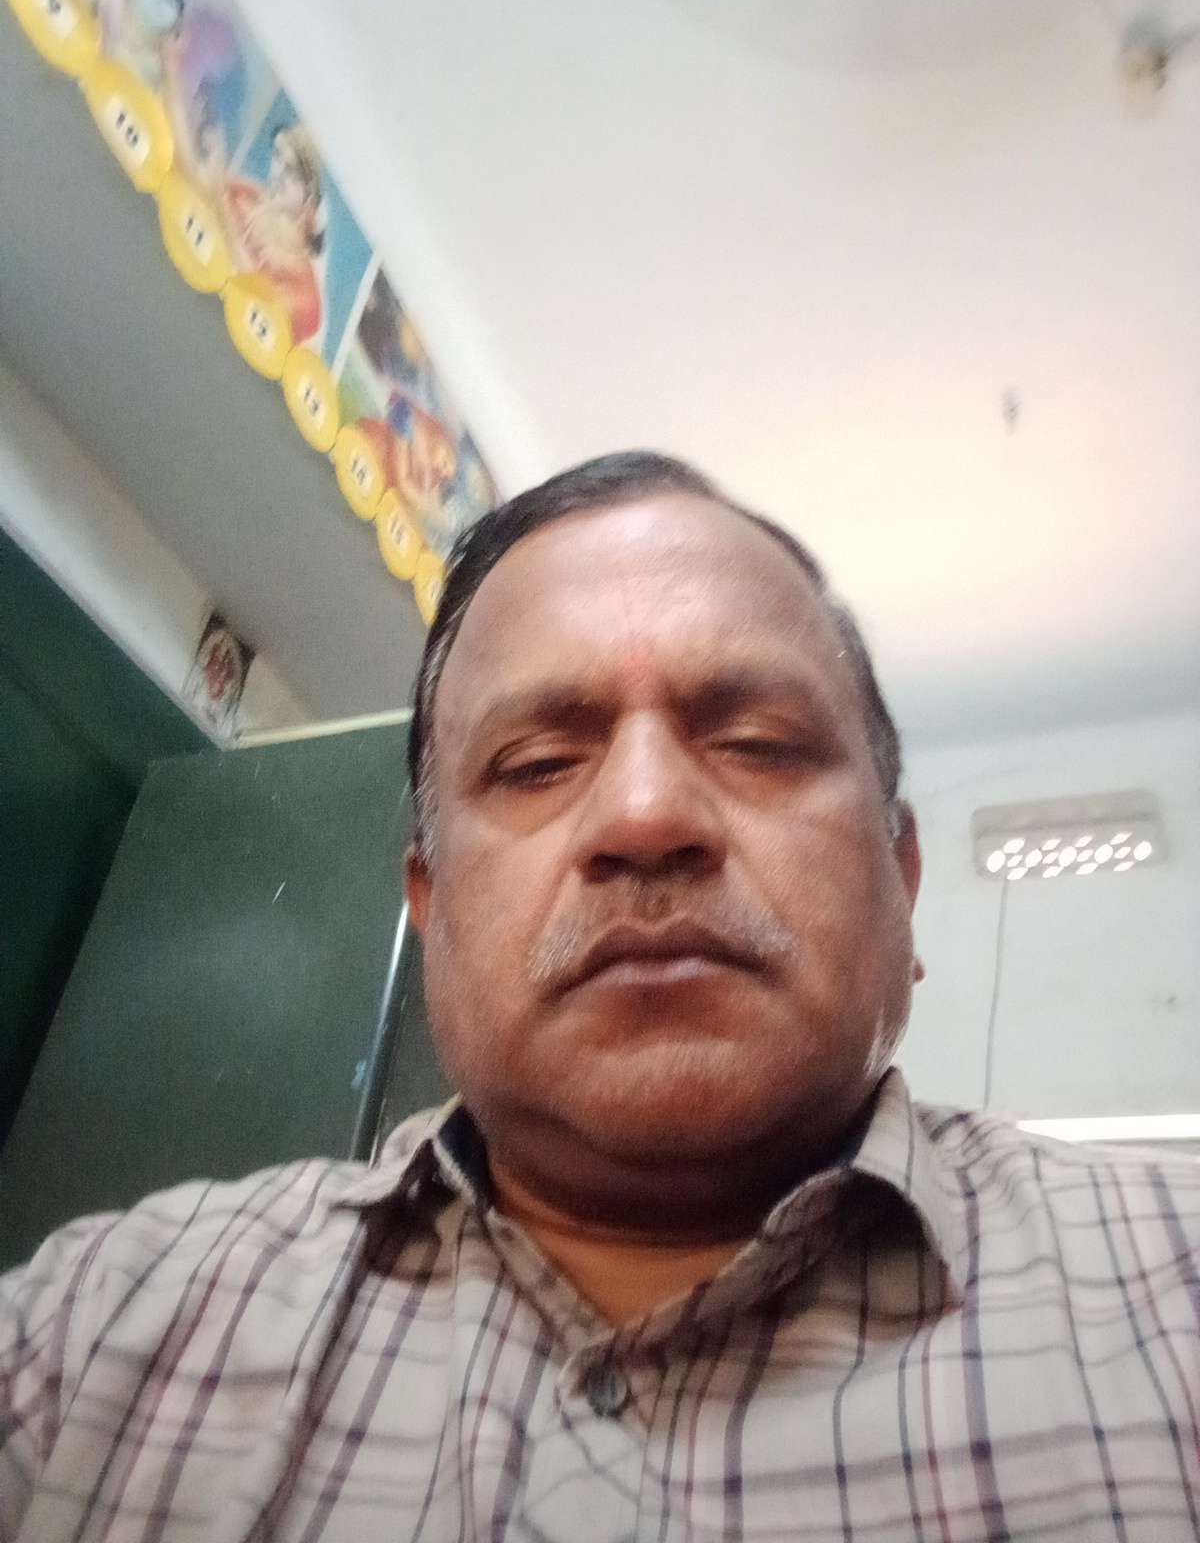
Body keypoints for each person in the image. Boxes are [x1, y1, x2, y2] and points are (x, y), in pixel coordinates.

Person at [2, 452, 1198, 1541]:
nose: (645, 813)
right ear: (431, 906)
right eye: (536, 765)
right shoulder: (93, 1334)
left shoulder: (1174, 1286)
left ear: (904, 877)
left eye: (758, 741)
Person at [222, 123, 326, 345]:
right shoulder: (240, 193)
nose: (279, 174)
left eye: (293, 172)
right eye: (278, 156)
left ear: (310, 199)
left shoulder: (306, 297)